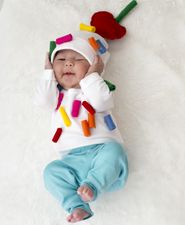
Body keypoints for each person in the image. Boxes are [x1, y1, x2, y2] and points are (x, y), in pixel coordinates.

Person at [34, 31, 128, 223]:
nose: (68, 63)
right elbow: (42, 100)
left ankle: (92, 185)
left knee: (114, 151)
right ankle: (77, 205)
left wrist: (93, 75)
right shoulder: (56, 96)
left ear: (93, 65)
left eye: (77, 58)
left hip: (101, 149)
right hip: (71, 162)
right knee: (51, 172)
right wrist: (47, 72)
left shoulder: (94, 89)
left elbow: (102, 101)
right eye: (60, 59)